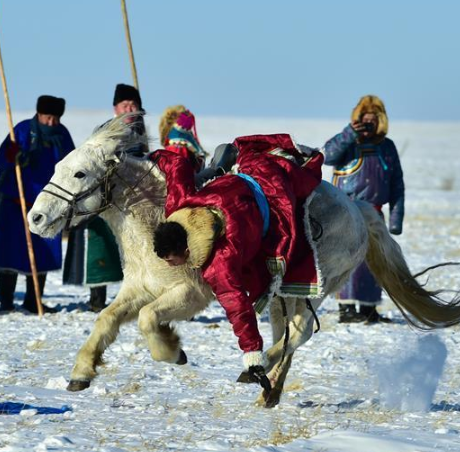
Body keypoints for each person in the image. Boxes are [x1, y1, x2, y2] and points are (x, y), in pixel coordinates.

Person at [151, 110, 324, 380]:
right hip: (245, 177)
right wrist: (150, 157)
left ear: (186, 250)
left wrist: (252, 354)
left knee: (288, 231)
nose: (171, 265)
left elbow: (237, 306)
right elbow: (177, 165)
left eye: (172, 260)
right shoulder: (178, 204)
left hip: (270, 192)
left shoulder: (219, 260)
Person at [63, 84, 147, 312]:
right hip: (103, 198)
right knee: (100, 249)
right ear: (115, 108)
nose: (129, 108)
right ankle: (97, 300)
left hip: (129, 200)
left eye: (133, 105)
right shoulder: (106, 131)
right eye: (124, 105)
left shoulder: (140, 130)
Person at [323, 94, 404, 323]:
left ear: (380, 122)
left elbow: (397, 184)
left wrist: (396, 219)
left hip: (375, 213)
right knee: (349, 260)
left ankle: (369, 308)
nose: (368, 125)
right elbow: (327, 156)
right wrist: (349, 133)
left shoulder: (387, 147)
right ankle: (346, 308)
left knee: (375, 261)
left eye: (373, 120)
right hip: (348, 212)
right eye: (364, 120)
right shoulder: (348, 143)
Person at [0, 95, 75, 313]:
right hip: (16, 201)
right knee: (10, 250)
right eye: (47, 117)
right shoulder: (22, 131)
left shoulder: (62, 135)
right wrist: (11, 156)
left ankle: (33, 300)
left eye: (55, 118)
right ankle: (6, 301)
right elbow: (0, 158)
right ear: (39, 114)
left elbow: (71, 164)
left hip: (47, 206)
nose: (51, 122)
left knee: (43, 251)